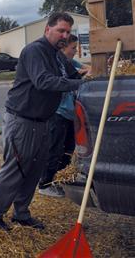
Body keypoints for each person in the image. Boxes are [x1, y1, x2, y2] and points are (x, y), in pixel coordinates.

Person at [0, 13, 85, 231]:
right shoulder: (34, 51)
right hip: (22, 119)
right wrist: (77, 85)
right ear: (47, 29)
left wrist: (92, 76)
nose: (65, 36)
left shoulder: (58, 55)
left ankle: (21, 213)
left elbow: (74, 75)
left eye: (68, 32)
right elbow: (43, 81)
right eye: (61, 31)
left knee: (34, 169)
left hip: (42, 121)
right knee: (16, 168)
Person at [38, 34, 90, 197]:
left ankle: (59, 179)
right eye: (73, 48)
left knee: (68, 149)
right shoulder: (56, 63)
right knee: (55, 148)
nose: (75, 51)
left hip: (70, 114)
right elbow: (70, 77)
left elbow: (84, 70)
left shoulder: (70, 63)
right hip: (58, 112)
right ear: (63, 49)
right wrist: (81, 74)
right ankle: (45, 183)